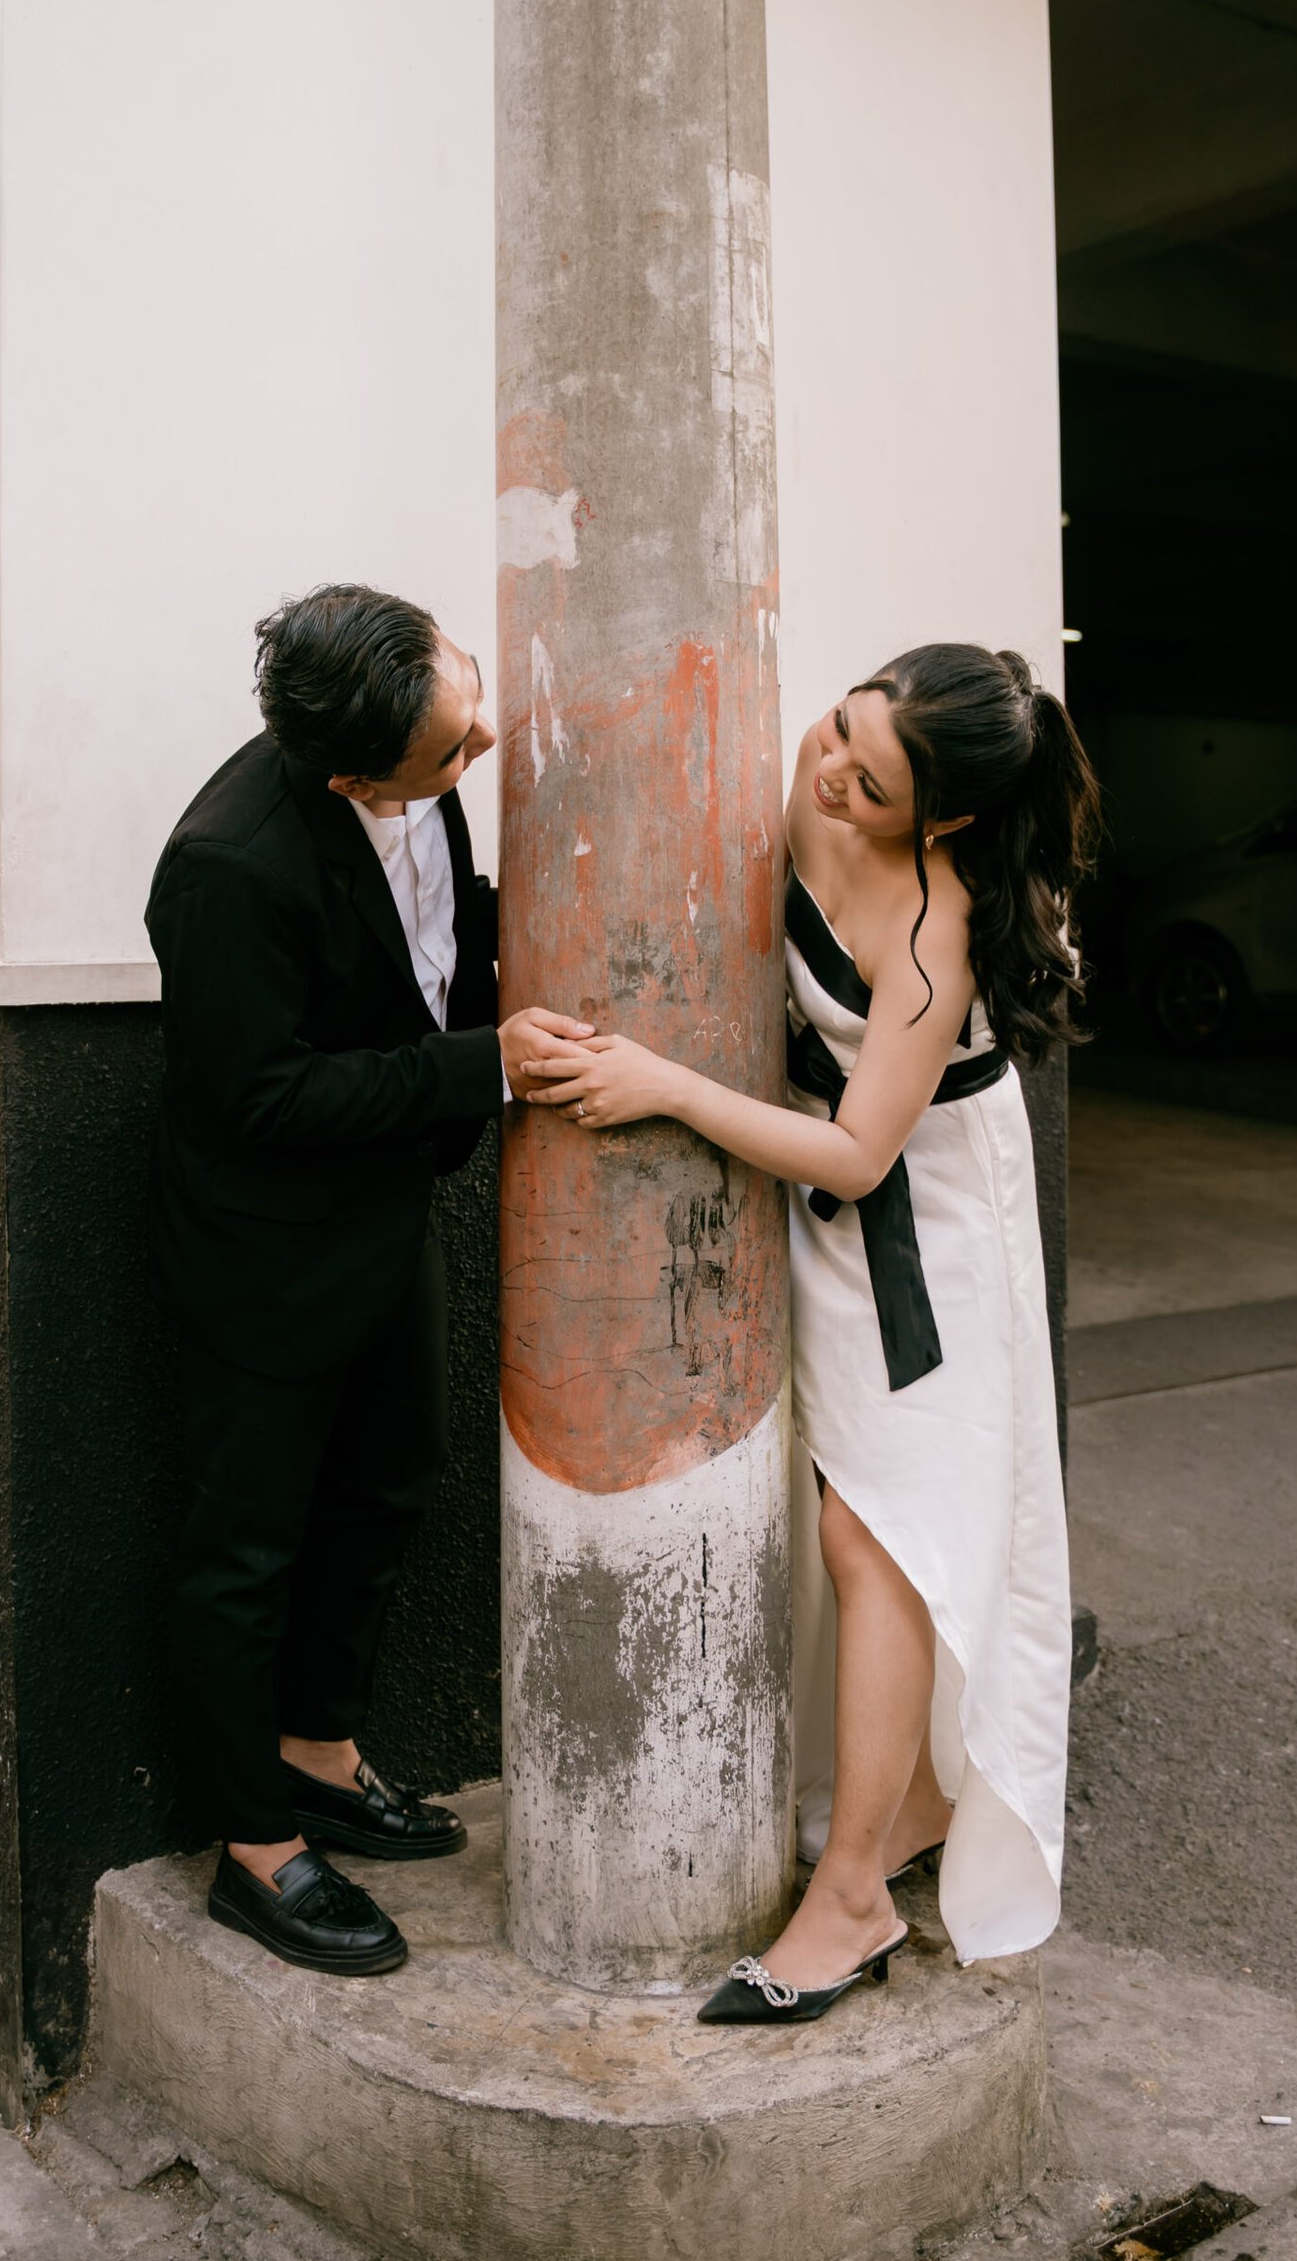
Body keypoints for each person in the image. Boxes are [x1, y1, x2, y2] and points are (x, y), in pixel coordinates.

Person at [521, 642, 1100, 2022]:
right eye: (842, 730)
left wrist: (664, 1085)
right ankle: (910, 1808)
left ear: (947, 819)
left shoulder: (941, 929)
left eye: (874, 784)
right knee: (852, 1508)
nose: (832, 773)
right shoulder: (814, 771)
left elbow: (857, 1153)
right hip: (826, 1213)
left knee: (875, 1533)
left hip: (931, 1235)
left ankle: (851, 1899)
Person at [145, 583, 590, 1977]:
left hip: (387, 1214)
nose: (483, 746)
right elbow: (261, 1097)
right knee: (245, 1553)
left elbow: (428, 935)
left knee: (392, 1480)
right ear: (351, 778)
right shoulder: (226, 864)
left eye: (468, 701)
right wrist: (484, 1066)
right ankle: (254, 1845)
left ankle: (319, 1750)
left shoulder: (416, 746)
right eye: (454, 753)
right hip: (266, 1254)